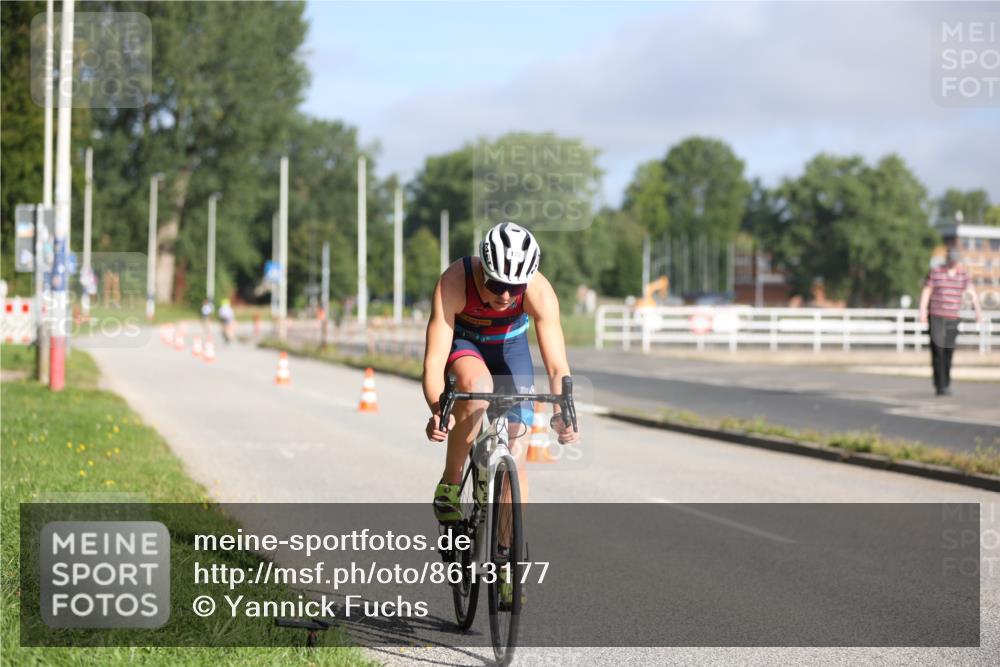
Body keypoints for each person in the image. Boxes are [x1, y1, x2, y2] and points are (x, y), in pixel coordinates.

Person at [422, 222, 580, 524]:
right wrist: (436, 409)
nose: (506, 295)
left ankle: (506, 557)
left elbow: (558, 367)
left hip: (510, 349)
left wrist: (564, 412)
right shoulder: (455, 282)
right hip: (466, 344)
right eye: (496, 285)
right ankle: (451, 482)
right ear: (483, 269)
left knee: (516, 457)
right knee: (475, 386)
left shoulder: (540, 291)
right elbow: (433, 362)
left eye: (516, 287)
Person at [918, 247, 982, 396]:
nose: (953, 262)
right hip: (936, 316)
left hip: (952, 317)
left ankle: (946, 383)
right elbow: (927, 291)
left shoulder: (963, 274)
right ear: (947, 259)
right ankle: (939, 385)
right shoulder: (936, 272)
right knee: (938, 352)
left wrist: (977, 311)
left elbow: (971, 293)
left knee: (948, 352)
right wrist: (922, 312)